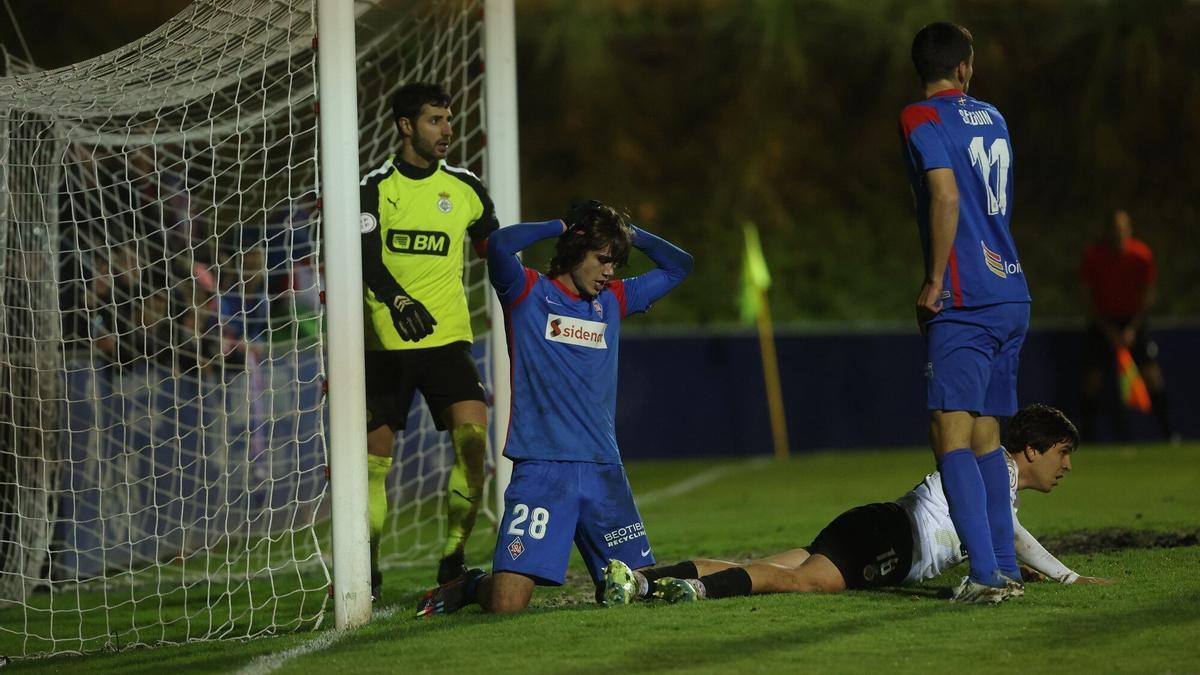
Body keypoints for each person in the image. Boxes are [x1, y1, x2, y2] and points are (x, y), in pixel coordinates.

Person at [414, 200, 693, 616]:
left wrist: (628, 235)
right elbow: (498, 245)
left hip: (602, 468)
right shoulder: (525, 291)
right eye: (603, 259)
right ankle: (472, 586)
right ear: (576, 247)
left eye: (616, 261)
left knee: (634, 590)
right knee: (508, 606)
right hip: (542, 469)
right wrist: (562, 223)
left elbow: (679, 267)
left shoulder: (614, 299)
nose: (610, 271)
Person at [604, 404, 1113, 605]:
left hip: (877, 523)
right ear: (1032, 450)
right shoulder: (996, 467)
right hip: (890, 541)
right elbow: (1013, 536)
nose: (1066, 466)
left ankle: (643, 579)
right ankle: (693, 590)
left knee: (761, 568)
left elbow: (1006, 534)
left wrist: (1021, 568)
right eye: (1063, 454)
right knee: (797, 583)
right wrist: (1067, 576)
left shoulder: (994, 476)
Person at [898, 23, 1031, 602]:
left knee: (947, 431)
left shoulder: (920, 117)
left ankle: (983, 576)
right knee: (983, 435)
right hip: (1011, 293)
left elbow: (946, 194)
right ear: (964, 67)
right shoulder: (996, 116)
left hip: (965, 298)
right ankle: (1004, 567)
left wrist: (934, 279)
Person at [358, 82, 500, 596]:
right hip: (385, 349)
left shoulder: (464, 186)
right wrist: (398, 301)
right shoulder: (374, 187)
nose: (447, 130)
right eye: (435, 120)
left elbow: (492, 245)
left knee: (473, 443)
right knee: (374, 466)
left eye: (449, 119)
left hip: (447, 342)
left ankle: (452, 559)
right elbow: (367, 260)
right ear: (405, 126)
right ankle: (366, 569)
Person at [1079, 209, 1177, 442]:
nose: (1119, 232)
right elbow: (1088, 298)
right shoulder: (1094, 255)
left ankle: (1170, 434)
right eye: (1115, 227)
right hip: (1104, 323)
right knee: (1093, 379)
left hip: (1134, 322)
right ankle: (1088, 437)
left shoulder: (1141, 254)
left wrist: (1132, 328)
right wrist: (1110, 330)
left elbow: (1148, 296)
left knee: (1152, 377)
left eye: (1124, 227)